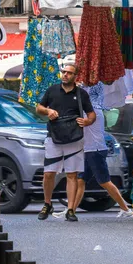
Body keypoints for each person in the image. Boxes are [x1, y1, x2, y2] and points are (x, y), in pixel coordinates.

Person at [35, 62, 95, 222]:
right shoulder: (52, 90)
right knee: (48, 173)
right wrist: (48, 111)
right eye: (64, 72)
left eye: (69, 73)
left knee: (72, 174)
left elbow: (91, 114)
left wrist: (87, 121)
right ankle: (47, 204)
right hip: (53, 136)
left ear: (75, 76)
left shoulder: (81, 94)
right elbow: (39, 108)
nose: (65, 75)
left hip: (74, 137)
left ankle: (70, 209)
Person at [73, 83, 133, 218]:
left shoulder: (92, 111)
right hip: (89, 150)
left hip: (95, 150)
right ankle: (71, 211)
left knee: (104, 181)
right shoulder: (95, 109)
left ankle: (125, 209)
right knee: (81, 180)